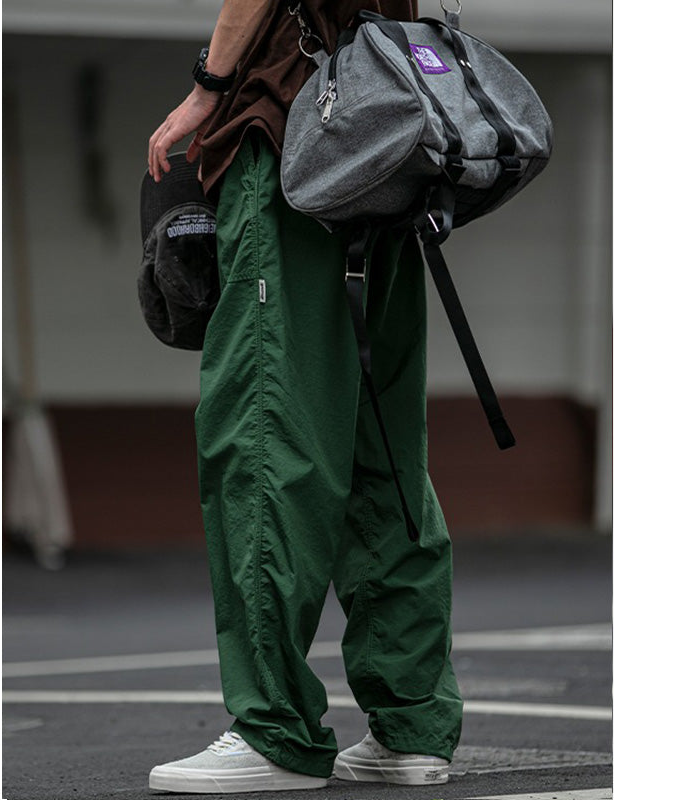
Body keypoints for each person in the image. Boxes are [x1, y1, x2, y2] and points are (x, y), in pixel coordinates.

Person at [146, 0, 463, 792]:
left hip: (294, 135)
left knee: (265, 429)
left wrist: (208, 85)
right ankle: (411, 725)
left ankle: (274, 729)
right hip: (387, 137)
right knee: (382, 445)